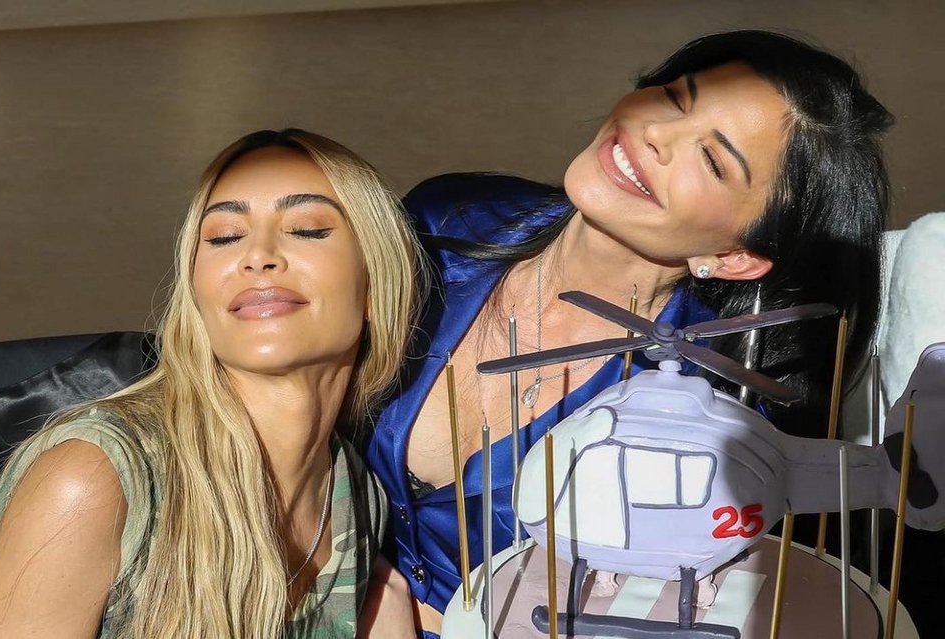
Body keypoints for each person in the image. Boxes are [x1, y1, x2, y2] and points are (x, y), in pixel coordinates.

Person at [366, 30, 892, 635]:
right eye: (673, 98)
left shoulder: (709, 415)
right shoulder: (444, 222)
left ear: (734, 256)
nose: (656, 133)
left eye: (713, 160)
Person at [0, 129, 425, 638]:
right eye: (224, 237)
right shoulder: (95, 478)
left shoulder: (358, 495)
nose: (258, 255)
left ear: (375, 281)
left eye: (306, 229)